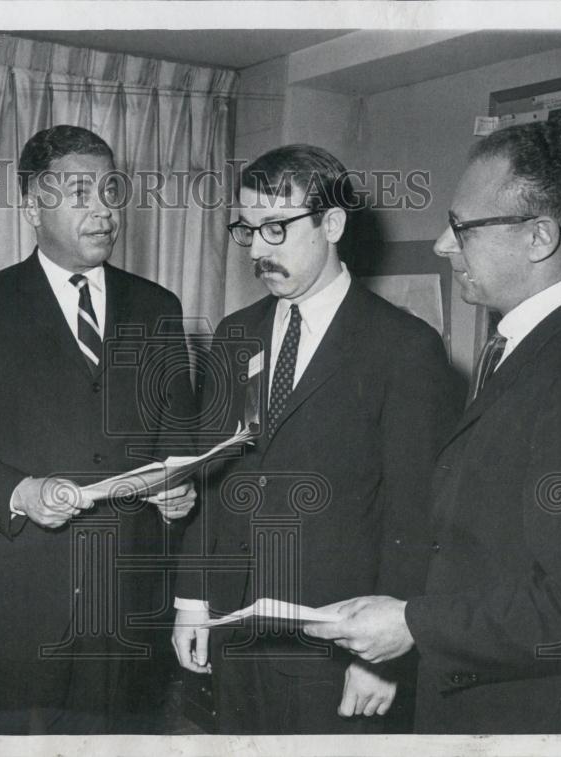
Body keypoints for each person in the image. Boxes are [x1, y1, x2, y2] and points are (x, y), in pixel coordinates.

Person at [305, 121, 561, 734]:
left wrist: (412, 624)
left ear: (539, 237)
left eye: (461, 227)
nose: (443, 244)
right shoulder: (535, 346)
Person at [172, 144, 465, 734]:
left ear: (331, 224)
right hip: (235, 628)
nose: (257, 250)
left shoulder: (404, 348)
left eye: (276, 228)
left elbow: (416, 515)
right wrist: (193, 602)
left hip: (338, 641)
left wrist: (382, 656)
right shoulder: (235, 334)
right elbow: (214, 477)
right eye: (247, 229)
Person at [0, 124, 198, 734]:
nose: (103, 211)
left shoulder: (158, 307)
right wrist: (18, 491)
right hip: (22, 606)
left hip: (130, 603)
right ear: (33, 207)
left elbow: (180, 439)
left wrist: (180, 487)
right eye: (81, 194)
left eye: (110, 192)